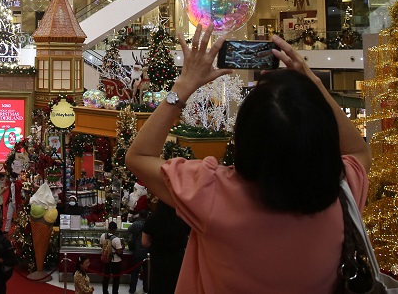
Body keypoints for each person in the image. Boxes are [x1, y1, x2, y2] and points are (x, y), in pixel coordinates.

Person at [125, 29, 372, 293]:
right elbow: (359, 151)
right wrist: (314, 85)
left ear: (243, 136)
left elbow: (139, 156)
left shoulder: (209, 191)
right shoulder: (342, 192)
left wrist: (183, 86)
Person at [141, 199, 189, 294]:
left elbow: (144, 242)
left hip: (158, 258)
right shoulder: (182, 219)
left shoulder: (152, 219)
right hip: (177, 258)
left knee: (157, 285)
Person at [125, 212, 148, 294]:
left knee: (134, 272)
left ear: (140, 215)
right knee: (146, 272)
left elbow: (128, 231)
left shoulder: (135, 224)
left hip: (137, 251)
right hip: (147, 251)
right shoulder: (149, 224)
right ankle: (146, 289)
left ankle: (132, 289)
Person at [100, 220, 124, 294]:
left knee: (106, 277)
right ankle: (114, 292)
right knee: (116, 278)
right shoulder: (116, 239)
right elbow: (119, 252)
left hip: (106, 259)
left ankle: (105, 292)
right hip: (116, 261)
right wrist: (122, 247)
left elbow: (101, 245)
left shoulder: (103, 236)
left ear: (108, 228)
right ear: (115, 229)